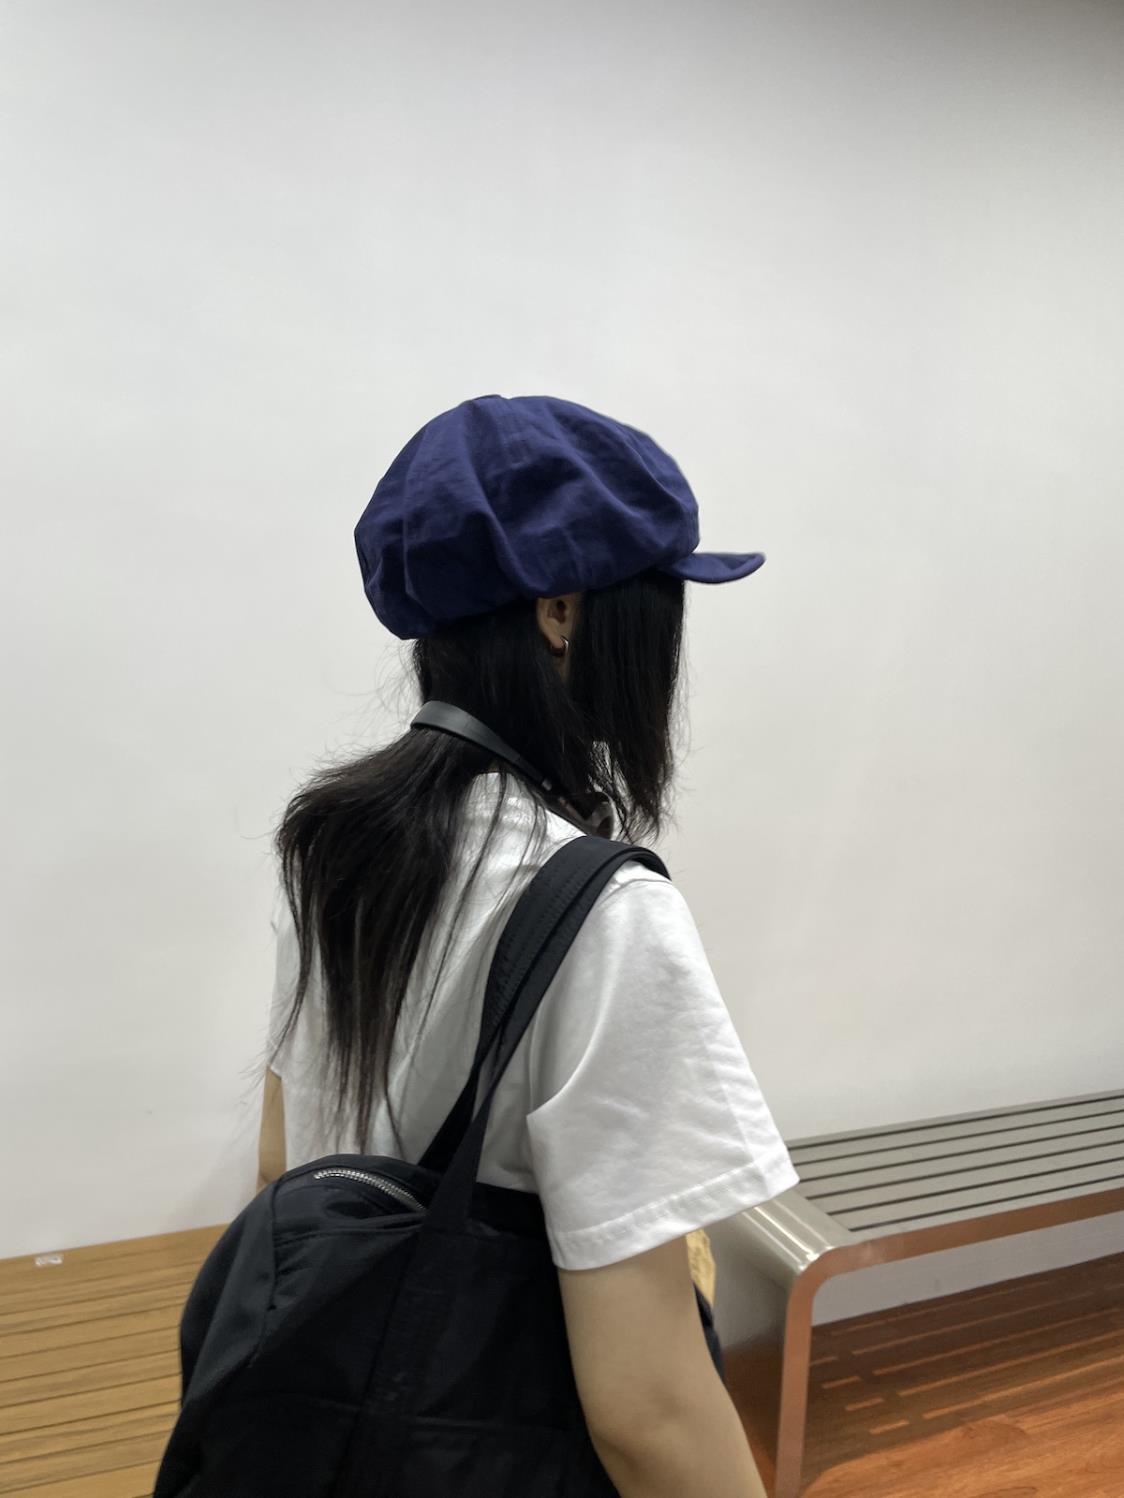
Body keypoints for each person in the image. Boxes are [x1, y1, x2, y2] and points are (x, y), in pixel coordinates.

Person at [257, 394, 798, 1498]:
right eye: (654, 600)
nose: (665, 644)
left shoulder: (335, 845)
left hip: (336, 1424)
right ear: (559, 609)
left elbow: (281, 1166)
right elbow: (647, 1414)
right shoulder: (603, 907)